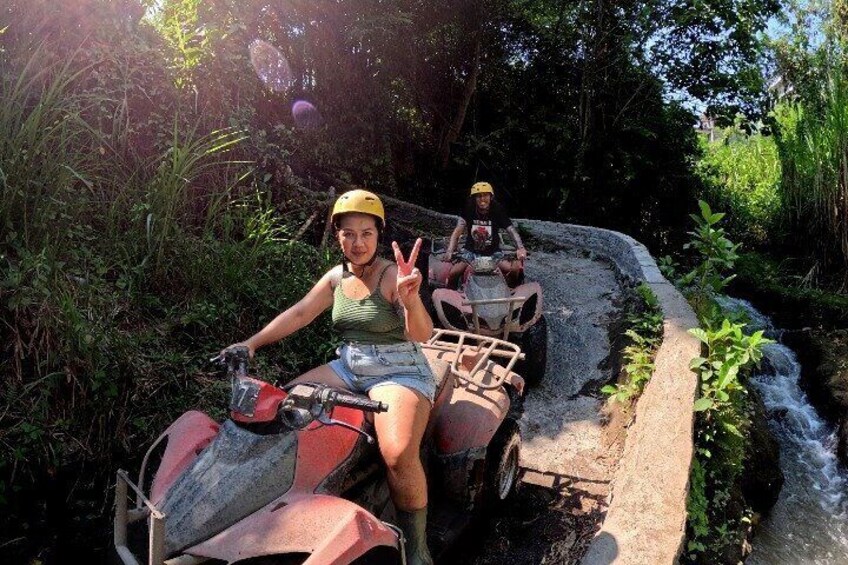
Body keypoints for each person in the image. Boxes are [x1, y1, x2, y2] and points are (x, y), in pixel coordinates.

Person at [223, 189, 435, 565]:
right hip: (349, 365)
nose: (357, 242)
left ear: (378, 235)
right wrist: (251, 343)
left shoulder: (391, 276)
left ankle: (417, 548)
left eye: (366, 233)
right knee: (283, 403)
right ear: (337, 236)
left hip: (398, 369)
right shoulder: (336, 278)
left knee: (399, 453)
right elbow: (301, 312)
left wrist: (412, 298)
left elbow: (421, 335)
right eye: (348, 233)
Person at [442, 181, 527, 287]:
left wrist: (521, 247)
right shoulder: (468, 208)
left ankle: (511, 290)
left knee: (512, 269)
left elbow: (511, 230)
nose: (482, 199)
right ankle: (451, 295)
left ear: (491, 197)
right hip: (471, 251)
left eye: (485, 195)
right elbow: (457, 231)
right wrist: (450, 250)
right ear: (474, 198)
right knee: (454, 273)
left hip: (493, 252)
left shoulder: (497, 209)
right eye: (478, 196)